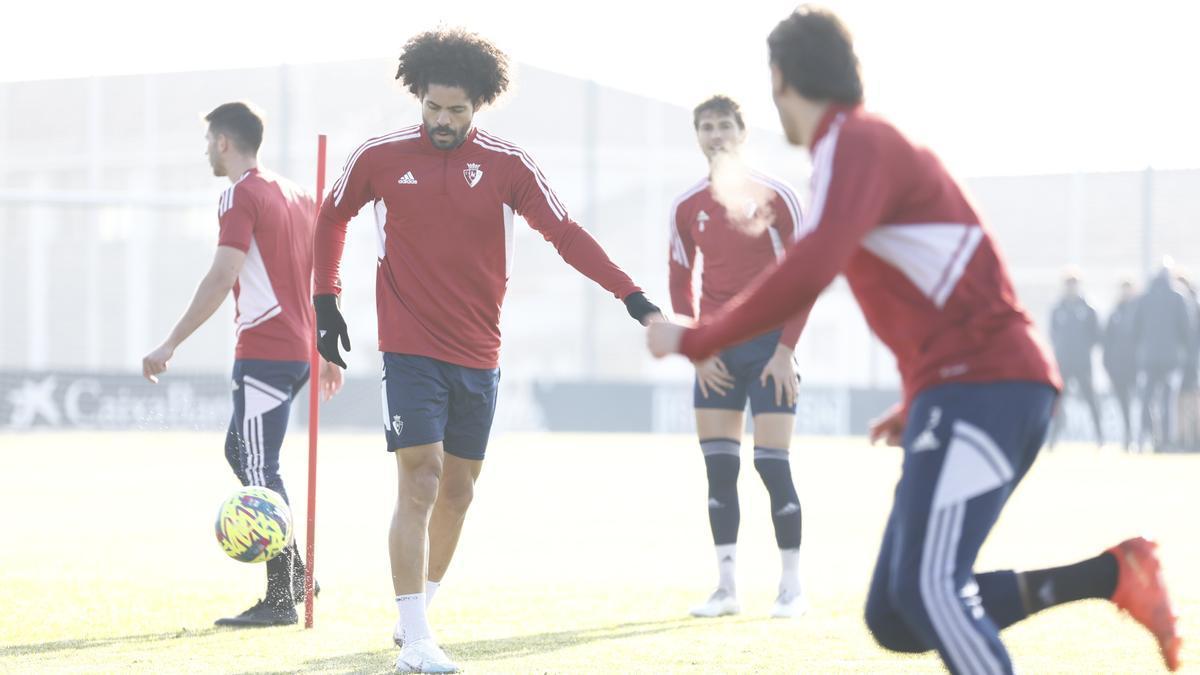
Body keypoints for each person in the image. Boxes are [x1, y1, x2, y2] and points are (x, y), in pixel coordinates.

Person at [646, 7, 1180, 673]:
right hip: (964, 386)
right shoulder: (849, 151)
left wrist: (699, 336)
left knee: (930, 589)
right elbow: (948, 276)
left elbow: (811, 265)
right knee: (897, 611)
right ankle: (1112, 575)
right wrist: (922, 388)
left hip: (989, 385)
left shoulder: (857, 144)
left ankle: (1111, 575)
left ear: (779, 78)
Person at [311, 29, 662, 674]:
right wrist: (325, 301)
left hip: (479, 350)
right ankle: (416, 639)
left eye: (457, 111)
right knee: (420, 475)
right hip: (408, 345)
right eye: (433, 108)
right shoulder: (379, 156)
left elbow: (566, 233)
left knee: (460, 491)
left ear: (480, 105)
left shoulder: (509, 165)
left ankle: (415, 615)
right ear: (418, 96)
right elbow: (331, 216)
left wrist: (633, 297)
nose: (443, 121)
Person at [142, 102, 343, 626]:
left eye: (209, 139)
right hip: (295, 349)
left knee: (257, 469)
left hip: (266, 351)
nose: (207, 148)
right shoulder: (297, 194)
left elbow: (221, 274)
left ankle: (282, 597)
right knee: (242, 452)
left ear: (225, 142)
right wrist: (322, 348)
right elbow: (317, 272)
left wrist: (170, 342)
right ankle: (297, 573)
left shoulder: (240, 193)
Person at [669, 94, 809, 619]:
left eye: (724, 125)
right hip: (716, 355)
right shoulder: (687, 206)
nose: (715, 135)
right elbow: (680, 281)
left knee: (772, 466)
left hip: (771, 349)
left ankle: (791, 588)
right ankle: (726, 589)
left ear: (742, 132)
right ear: (698, 135)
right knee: (720, 471)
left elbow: (805, 277)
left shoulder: (776, 196)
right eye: (705, 126)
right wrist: (696, 353)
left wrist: (786, 350)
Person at [1133, 263, 1192, 452]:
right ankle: (1165, 440)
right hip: (1171, 360)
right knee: (1168, 400)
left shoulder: (1144, 297)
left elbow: (1136, 328)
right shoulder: (1178, 297)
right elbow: (1186, 330)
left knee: (1146, 398)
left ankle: (1146, 435)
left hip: (1148, 358)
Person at [1047, 270, 1104, 447]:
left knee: (1090, 399)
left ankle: (1099, 436)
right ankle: (1053, 439)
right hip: (1063, 362)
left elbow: (1096, 335)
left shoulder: (1088, 308)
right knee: (1057, 402)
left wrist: (1083, 348)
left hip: (1082, 363)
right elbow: (1053, 333)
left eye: (1074, 283)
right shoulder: (1058, 308)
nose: (1071, 287)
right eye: (1068, 283)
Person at [1102, 280, 1140, 451]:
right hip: (1119, 368)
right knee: (1124, 403)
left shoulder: (1139, 312)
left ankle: (1145, 436)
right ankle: (1129, 436)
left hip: (1136, 366)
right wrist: (1108, 365)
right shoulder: (1115, 313)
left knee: (1141, 403)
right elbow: (1107, 342)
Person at [1174, 275, 1199, 451]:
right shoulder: (1174, 306)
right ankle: (1183, 439)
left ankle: (1195, 437)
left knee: (1194, 399)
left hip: (1193, 360)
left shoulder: (1195, 306)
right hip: (1179, 361)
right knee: (1180, 400)